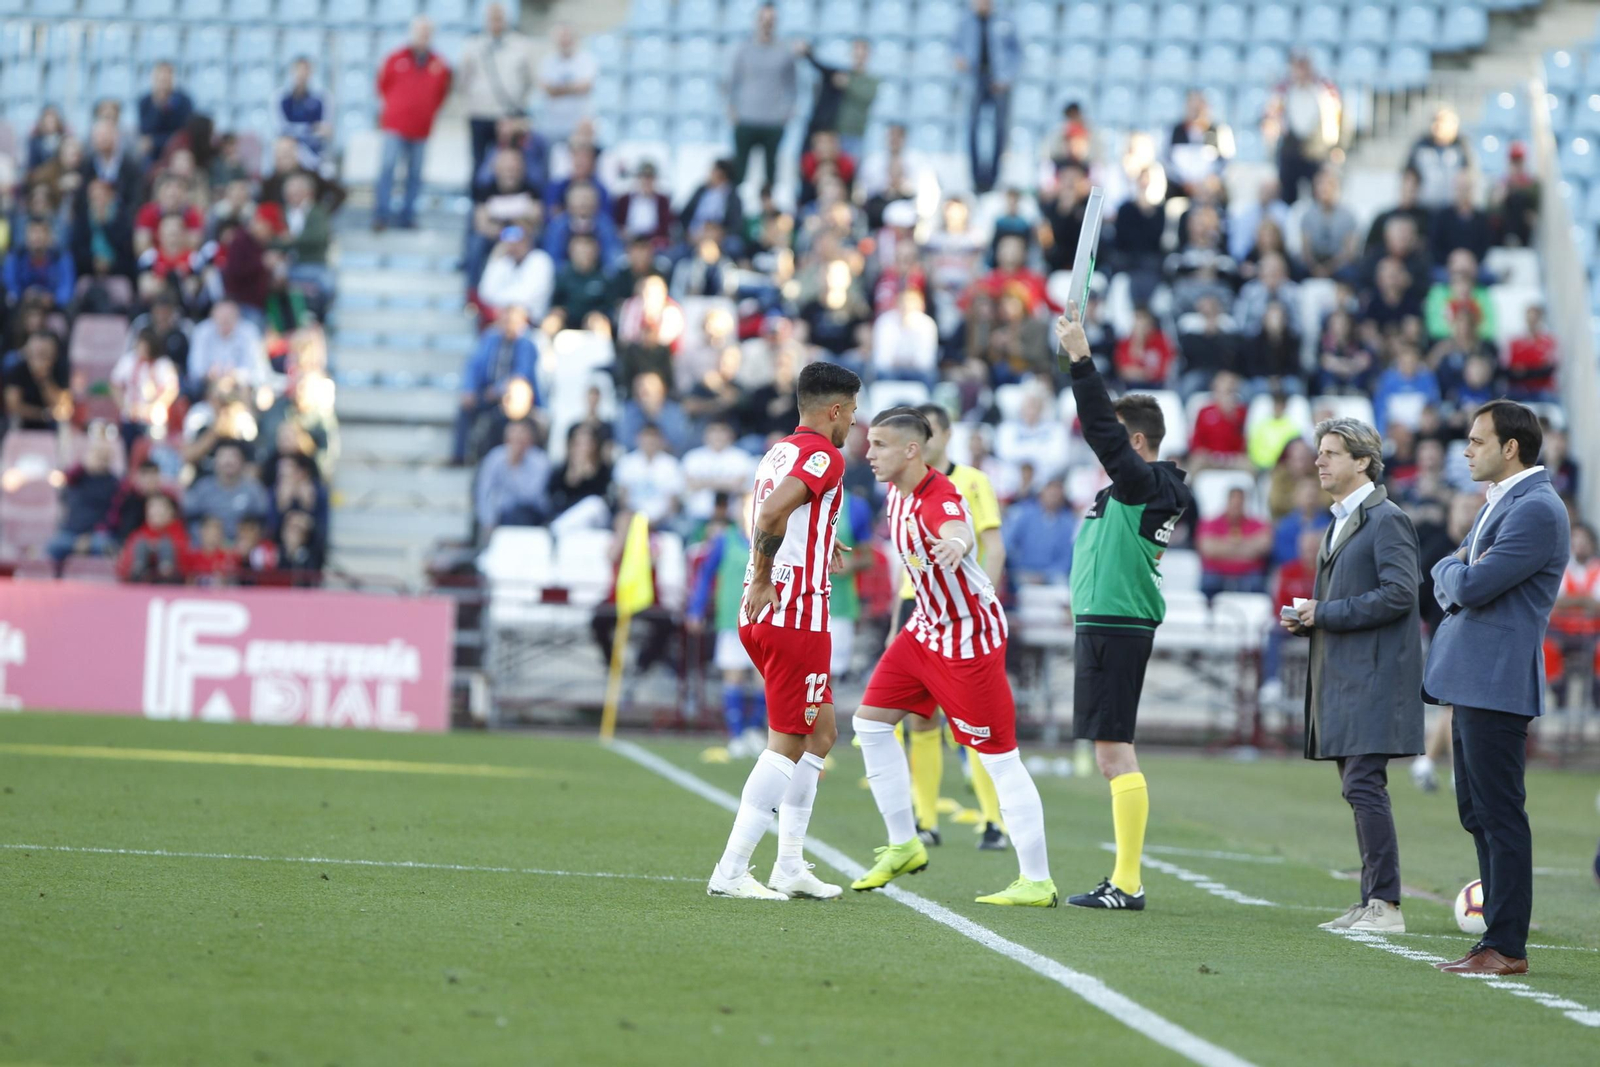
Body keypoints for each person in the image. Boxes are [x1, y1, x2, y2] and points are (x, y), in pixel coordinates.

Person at [849, 407, 1054, 905]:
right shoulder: (892, 494)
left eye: (879, 445)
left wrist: (957, 545)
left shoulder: (939, 495)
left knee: (999, 757)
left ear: (911, 450)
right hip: (924, 629)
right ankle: (904, 844)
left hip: (968, 638)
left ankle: (1037, 879)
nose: (867, 453)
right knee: (871, 725)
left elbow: (955, 526)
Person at [705, 361, 861, 901]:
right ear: (835, 410)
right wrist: (769, 576)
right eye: (853, 413)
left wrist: (821, 542)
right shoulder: (826, 454)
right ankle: (731, 869)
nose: (853, 426)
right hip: (792, 611)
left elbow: (781, 515)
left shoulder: (779, 450)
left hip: (772, 607)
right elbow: (771, 514)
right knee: (789, 742)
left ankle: (789, 865)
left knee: (821, 734)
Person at [1056, 305, 1195, 910]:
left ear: (1137, 443)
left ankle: (1129, 882)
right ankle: (1126, 879)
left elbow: (1101, 433)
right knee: (1109, 751)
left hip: (1118, 626)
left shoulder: (1148, 485)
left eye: (1118, 441)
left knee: (1114, 753)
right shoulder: (1131, 489)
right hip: (1106, 624)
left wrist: (1082, 360)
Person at [1423, 401, 1568, 975]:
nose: (1466, 449)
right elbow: (1463, 571)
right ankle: (1495, 938)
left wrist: (1447, 569)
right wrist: (1453, 567)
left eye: (1477, 440)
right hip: (1477, 678)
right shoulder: (1506, 504)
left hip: (1496, 678)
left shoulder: (1535, 509)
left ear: (1511, 447)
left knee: (1500, 814)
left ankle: (1506, 944)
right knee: (1478, 811)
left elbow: (1473, 582)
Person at [1281, 418, 1424, 935]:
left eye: (1331, 453)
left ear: (1362, 460)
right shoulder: (1340, 520)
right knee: (1358, 786)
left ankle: (1385, 904)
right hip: (1345, 676)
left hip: (1374, 676)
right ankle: (1372, 900)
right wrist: (1310, 620)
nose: (1318, 461)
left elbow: (1400, 594)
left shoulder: (1386, 519)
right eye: (1319, 452)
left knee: (1365, 784)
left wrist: (1327, 613)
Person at [886, 403, 1010, 851]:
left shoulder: (971, 482)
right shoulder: (898, 489)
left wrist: (983, 597)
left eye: (931, 431)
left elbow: (989, 543)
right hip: (912, 606)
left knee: (973, 717)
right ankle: (925, 818)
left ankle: (993, 820)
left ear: (945, 434)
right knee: (920, 721)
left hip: (961, 613)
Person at [687, 500, 766, 757]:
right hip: (732, 618)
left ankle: (754, 729)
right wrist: (696, 608)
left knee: (762, 678)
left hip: (763, 618)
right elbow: (706, 574)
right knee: (733, 674)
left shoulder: (771, 538)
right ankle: (736, 734)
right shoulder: (726, 539)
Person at [374, 17, 453, 232]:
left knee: (415, 174)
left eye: (427, 32)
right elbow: (382, 85)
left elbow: (441, 94)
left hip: (421, 128)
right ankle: (381, 214)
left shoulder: (439, 63)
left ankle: (408, 215)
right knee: (388, 168)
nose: (423, 36)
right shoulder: (395, 58)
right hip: (395, 124)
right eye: (420, 32)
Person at [725, 5, 797, 188]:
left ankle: (769, 212)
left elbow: (793, 86)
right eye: (764, 20)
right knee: (739, 172)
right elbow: (732, 82)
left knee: (770, 173)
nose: (767, 24)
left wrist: (786, 113)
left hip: (773, 122)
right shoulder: (743, 50)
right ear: (757, 21)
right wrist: (732, 109)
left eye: (771, 20)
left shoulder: (784, 51)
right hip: (746, 118)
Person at [460, 3, 536, 171]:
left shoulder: (522, 45)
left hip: (508, 115)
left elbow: (530, 80)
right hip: (480, 113)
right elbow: (464, 79)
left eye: (499, 17)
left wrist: (518, 106)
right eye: (492, 17)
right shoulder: (473, 45)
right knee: (478, 161)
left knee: (509, 163)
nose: (496, 21)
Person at [953, 0, 1018, 195]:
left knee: (999, 130)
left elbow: (1017, 53)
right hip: (974, 80)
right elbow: (954, 47)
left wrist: (1006, 78)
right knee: (972, 128)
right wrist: (959, 60)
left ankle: (994, 178)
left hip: (998, 81)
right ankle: (975, 178)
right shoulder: (965, 22)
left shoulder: (1005, 21)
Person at [46, 438, 123, 570]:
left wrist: (88, 538)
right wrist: (83, 465)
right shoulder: (77, 476)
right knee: (53, 547)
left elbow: (113, 517)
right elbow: (66, 478)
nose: (101, 460)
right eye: (98, 455)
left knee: (103, 547)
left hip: (97, 535)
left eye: (104, 457)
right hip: (71, 532)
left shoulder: (114, 483)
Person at [798, 38, 878, 160]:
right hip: (836, 133)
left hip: (855, 133)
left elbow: (867, 96)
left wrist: (848, 84)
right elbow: (822, 67)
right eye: (856, 51)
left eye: (862, 52)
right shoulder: (841, 73)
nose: (859, 55)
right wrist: (808, 54)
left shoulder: (870, 80)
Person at [475, 419, 551, 535]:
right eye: (513, 433)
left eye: (521, 434)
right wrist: (488, 521)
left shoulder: (540, 460)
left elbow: (532, 495)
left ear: (530, 438)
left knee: (520, 514)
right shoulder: (494, 458)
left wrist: (514, 467)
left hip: (532, 515)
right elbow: (484, 491)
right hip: (501, 515)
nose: (517, 438)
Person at [184, 440, 269, 540]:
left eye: (233, 456)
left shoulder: (254, 489)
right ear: (215, 460)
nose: (228, 461)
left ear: (242, 461)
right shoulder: (202, 488)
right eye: (223, 456)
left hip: (244, 549)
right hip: (208, 550)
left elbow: (263, 523)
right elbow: (189, 521)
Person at [1197, 487, 1272, 596]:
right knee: (1209, 582)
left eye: (1240, 502)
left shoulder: (1259, 524)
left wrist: (1223, 546)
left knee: (1257, 583)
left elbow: (1263, 547)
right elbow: (1208, 549)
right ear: (1227, 501)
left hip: (1248, 575)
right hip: (1216, 575)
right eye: (1234, 502)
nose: (1236, 506)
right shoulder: (1210, 523)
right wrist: (1246, 545)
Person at [1004, 477, 1076, 584]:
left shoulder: (1068, 522)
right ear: (1042, 493)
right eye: (1051, 494)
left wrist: (1046, 575)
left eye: (1057, 495)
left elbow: (1067, 556)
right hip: (1022, 572)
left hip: (1053, 576)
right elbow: (1009, 543)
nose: (1053, 498)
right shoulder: (1025, 514)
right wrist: (1019, 568)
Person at [537, 23, 597, 147]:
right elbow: (547, 89)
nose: (565, 41)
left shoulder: (586, 59)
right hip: (553, 127)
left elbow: (585, 86)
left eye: (567, 37)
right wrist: (572, 88)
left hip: (578, 128)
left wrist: (557, 89)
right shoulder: (547, 61)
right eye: (561, 37)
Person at [1408, 106, 1472, 211]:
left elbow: (1468, 175)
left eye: (1442, 122)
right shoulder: (1420, 146)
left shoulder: (1461, 147)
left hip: (1452, 208)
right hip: (1424, 206)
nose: (1437, 126)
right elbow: (1410, 176)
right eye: (1434, 121)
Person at [117, 492, 188, 584]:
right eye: (152, 507)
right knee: (141, 546)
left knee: (166, 546)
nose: (156, 511)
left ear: (171, 511)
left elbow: (186, 567)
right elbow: (124, 568)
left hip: (170, 587)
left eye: (160, 507)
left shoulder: (180, 534)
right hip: (139, 588)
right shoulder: (138, 535)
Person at [279, 57, 331, 169]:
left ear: (310, 73)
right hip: (291, 149)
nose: (301, 74)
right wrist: (310, 129)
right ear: (292, 72)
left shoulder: (321, 98)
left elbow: (324, 129)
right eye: (298, 70)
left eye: (305, 70)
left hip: (315, 149)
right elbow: (281, 128)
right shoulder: (281, 98)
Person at [137, 62, 194, 161]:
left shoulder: (184, 101)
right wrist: (158, 106)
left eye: (166, 79)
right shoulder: (145, 102)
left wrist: (155, 141)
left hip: (176, 151)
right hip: (153, 154)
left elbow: (183, 133)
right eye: (160, 79)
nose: (163, 83)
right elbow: (145, 131)